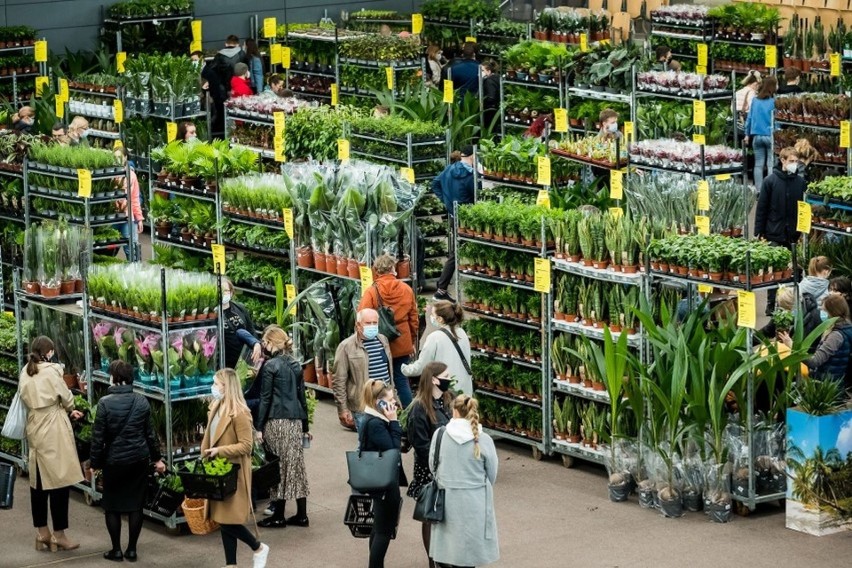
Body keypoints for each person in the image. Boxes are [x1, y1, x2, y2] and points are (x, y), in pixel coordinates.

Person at [90, 360, 165, 562]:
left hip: (113, 462)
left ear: (114, 378)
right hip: (138, 460)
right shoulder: (141, 401)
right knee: (135, 505)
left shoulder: (104, 403)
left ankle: (116, 550)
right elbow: (150, 435)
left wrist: (95, 464)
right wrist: (157, 459)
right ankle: (132, 549)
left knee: (112, 505)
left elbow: (98, 438)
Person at [19, 336, 84, 553]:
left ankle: (42, 532)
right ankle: (59, 535)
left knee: (37, 482)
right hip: (53, 427)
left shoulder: (26, 371)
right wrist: (69, 407)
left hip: (34, 424)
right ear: (49, 352)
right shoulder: (51, 370)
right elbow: (66, 398)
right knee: (59, 481)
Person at [201, 368, 270, 568]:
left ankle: (257, 547)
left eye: (216, 383)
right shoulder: (216, 406)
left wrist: (220, 450)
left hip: (233, 472)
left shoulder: (240, 413)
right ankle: (230, 564)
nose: (213, 387)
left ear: (226, 387)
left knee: (227, 519)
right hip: (218, 471)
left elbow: (246, 445)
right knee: (223, 517)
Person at [429, 395, 499, 568]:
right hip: (474, 503)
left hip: (446, 501)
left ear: (454, 411)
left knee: (447, 552)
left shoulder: (440, 434)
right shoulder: (484, 439)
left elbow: (433, 465)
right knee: (469, 555)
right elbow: (492, 474)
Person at [254, 326, 310, 529]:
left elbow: (266, 398)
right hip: (294, 422)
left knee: (277, 468)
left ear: (271, 343)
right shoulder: (295, 365)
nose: (264, 345)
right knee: (296, 467)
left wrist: (258, 427)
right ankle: (302, 515)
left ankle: (278, 515)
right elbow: (301, 397)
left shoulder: (270, 366)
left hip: (276, 422)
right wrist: (305, 426)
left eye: (265, 342)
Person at [405, 362, 453, 568]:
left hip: (448, 467)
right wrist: (438, 464)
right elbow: (421, 445)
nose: (448, 379)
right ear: (434, 379)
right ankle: (432, 560)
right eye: (445, 375)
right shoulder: (419, 409)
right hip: (429, 471)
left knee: (444, 515)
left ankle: (443, 556)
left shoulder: (447, 401)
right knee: (429, 516)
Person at [357, 254, 419, 408]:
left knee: (379, 381)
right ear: (393, 269)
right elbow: (414, 319)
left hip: (379, 342)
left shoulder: (372, 291)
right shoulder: (406, 289)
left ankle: (382, 413)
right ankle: (409, 416)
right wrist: (411, 340)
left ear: (376, 271)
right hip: (402, 342)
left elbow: (362, 315)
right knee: (401, 380)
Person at [359, 379, 405, 568]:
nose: (394, 404)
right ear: (380, 403)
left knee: (378, 528)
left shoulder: (371, 420)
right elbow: (393, 450)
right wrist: (394, 421)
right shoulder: (376, 424)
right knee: (384, 531)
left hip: (379, 481)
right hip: (385, 483)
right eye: (391, 400)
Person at [754, 146, 806, 314]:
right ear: (783, 160)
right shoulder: (770, 181)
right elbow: (762, 208)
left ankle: (790, 304)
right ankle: (771, 304)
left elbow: (803, 208)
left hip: (793, 235)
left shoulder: (800, 183)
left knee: (793, 270)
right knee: (776, 271)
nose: (794, 164)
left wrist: (802, 231)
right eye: (791, 161)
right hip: (773, 232)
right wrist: (759, 232)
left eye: (796, 161)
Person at [333, 308, 394, 431]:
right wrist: (343, 409)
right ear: (358, 325)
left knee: (385, 441)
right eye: (368, 323)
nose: (372, 326)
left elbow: (389, 372)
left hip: (385, 402)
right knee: (369, 443)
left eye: (374, 323)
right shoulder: (346, 346)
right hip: (363, 405)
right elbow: (339, 380)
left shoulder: (383, 340)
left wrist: (395, 398)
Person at [432, 146, 475, 302]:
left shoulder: (450, 169)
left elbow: (435, 183)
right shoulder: (470, 176)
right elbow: (476, 197)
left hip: (452, 215)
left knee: (456, 251)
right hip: (466, 219)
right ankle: (441, 289)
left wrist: (446, 201)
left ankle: (442, 288)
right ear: (471, 157)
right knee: (455, 253)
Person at [780, 294, 852, 387]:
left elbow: (815, 362)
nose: (821, 313)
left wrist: (792, 346)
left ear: (833, 312)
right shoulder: (844, 326)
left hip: (826, 386)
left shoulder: (836, 336)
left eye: (824, 310)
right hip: (831, 381)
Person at [402, 300, 472, 395]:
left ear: (440, 319)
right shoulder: (462, 333)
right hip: (465, 389)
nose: (431, 317)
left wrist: (404, 369)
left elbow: (422, 366)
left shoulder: (435, 337)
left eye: (432, 315)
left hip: (446, 389)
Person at [744, 75, 777, 189]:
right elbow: (776, 121)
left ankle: (758, 190)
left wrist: (747, 134)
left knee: (758, 165)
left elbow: (749, 119)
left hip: (756, 136)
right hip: (770, 136)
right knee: (770, 165)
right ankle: (769, 190)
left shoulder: (755, 101)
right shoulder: (774, 102)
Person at [221, 278, 263, 369]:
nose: (223, 294)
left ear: (231, 292)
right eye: (220, 291)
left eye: (226, 291)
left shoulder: (239, 308)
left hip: (244, 358)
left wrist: (256, 344)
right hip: (225, 363)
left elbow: (251, 330)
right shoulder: (214, 313)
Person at [113, 146, 143, 260]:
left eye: (120, 157)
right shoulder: (110, 174)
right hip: (113, 216)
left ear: (125, 157)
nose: (117, 160)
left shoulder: (132, 176)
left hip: (127, 217)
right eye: (115, 158)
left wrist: (139, 218)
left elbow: (135, 198)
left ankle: (135, 273)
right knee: (107, 248)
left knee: (131, 249)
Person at [735, 70, 761, 136]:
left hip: (737, 120)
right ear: (755, 83)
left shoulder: (739, 91)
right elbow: (752, 107)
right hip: (746, 119)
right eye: (759, 85)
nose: (759, 88)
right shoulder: (752, 92)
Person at [481, 60, 500, 134]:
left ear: (488, 71)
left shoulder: (489, 81)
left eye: (482, 70)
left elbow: (491, 96)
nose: (480, 72)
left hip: (489, 110)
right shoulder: (497, 78)